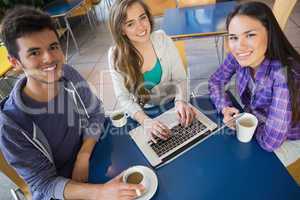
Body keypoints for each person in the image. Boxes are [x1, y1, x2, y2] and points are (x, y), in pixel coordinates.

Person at [0, 6, 143, 200]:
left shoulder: (68, 74)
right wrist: (100, 193)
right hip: (61, 189)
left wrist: (82, 156)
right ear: (15, 62)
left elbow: (96, 113)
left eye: (53, 47)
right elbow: (45, 183)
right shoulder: (10, 125)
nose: (49, 58)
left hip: (93, 154)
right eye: (34, 53)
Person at [208, 2, 300, 153]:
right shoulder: (238, 55)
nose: (239, 46)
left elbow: (270, 142)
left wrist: (242, 123)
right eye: (233, 37)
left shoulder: (284, 74)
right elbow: (215, 81)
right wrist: (224, 107)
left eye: (250, 35)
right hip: (260, 127)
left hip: (287, 141)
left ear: (269, 34)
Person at [108, 0, 195, 142]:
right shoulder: (114, 56)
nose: (141, 27)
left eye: (142, 17)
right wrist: (146, 122)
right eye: (130, 24)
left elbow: (180, 78)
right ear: (121, 30)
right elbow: (123, 98)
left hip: (174, 106)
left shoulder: (163, 39)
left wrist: (180, 101)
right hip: (144, 112)